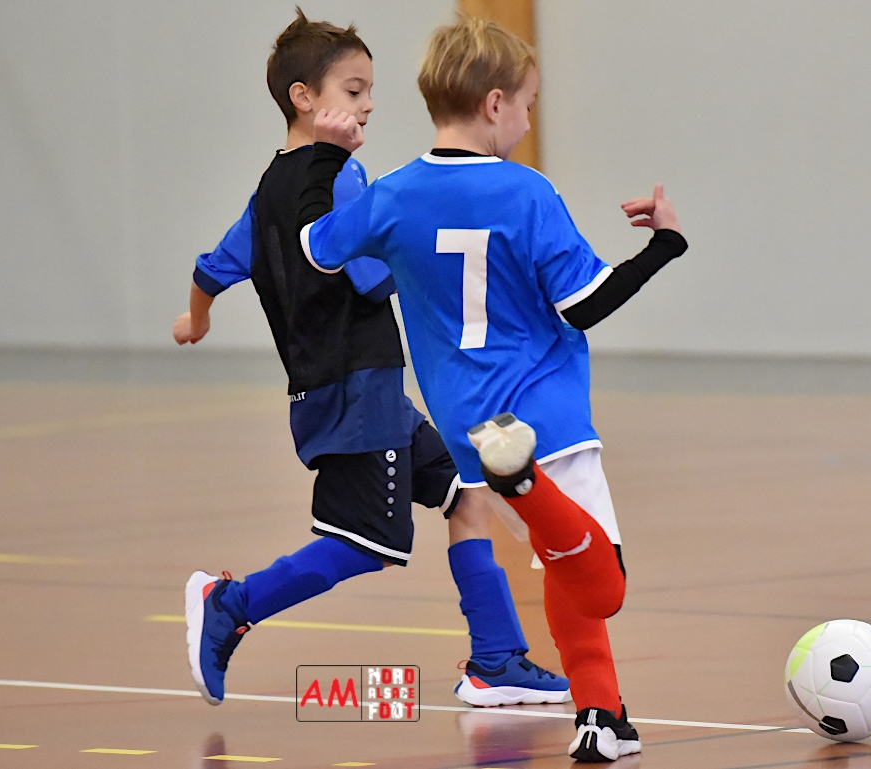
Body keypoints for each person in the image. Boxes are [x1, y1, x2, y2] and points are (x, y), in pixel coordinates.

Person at [296, 16, 688, 762]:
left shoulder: (395, 194)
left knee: (561, 571)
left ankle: (602, 719)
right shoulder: (525, 191)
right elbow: (586, 305)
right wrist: (665, 245)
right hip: (548, 420)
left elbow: (316, 247)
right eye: (529, 105)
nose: (530, 122)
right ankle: (526, 483)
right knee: (601, 585)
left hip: (470, 429)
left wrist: (325, 155)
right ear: (496, 104)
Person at [173, 9, 568, 710]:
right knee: (364, 543)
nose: (369, 104)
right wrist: (433, 260)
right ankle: (231, 604)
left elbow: (217, 263)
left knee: (465, 493)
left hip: (358, 393)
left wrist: (195, 316)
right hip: (355, 394)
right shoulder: (344, 179)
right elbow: (370, 274)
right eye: (354, 91)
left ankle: (496, 659)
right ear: (303, 98)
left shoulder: (268, 189)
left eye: (369, 92)